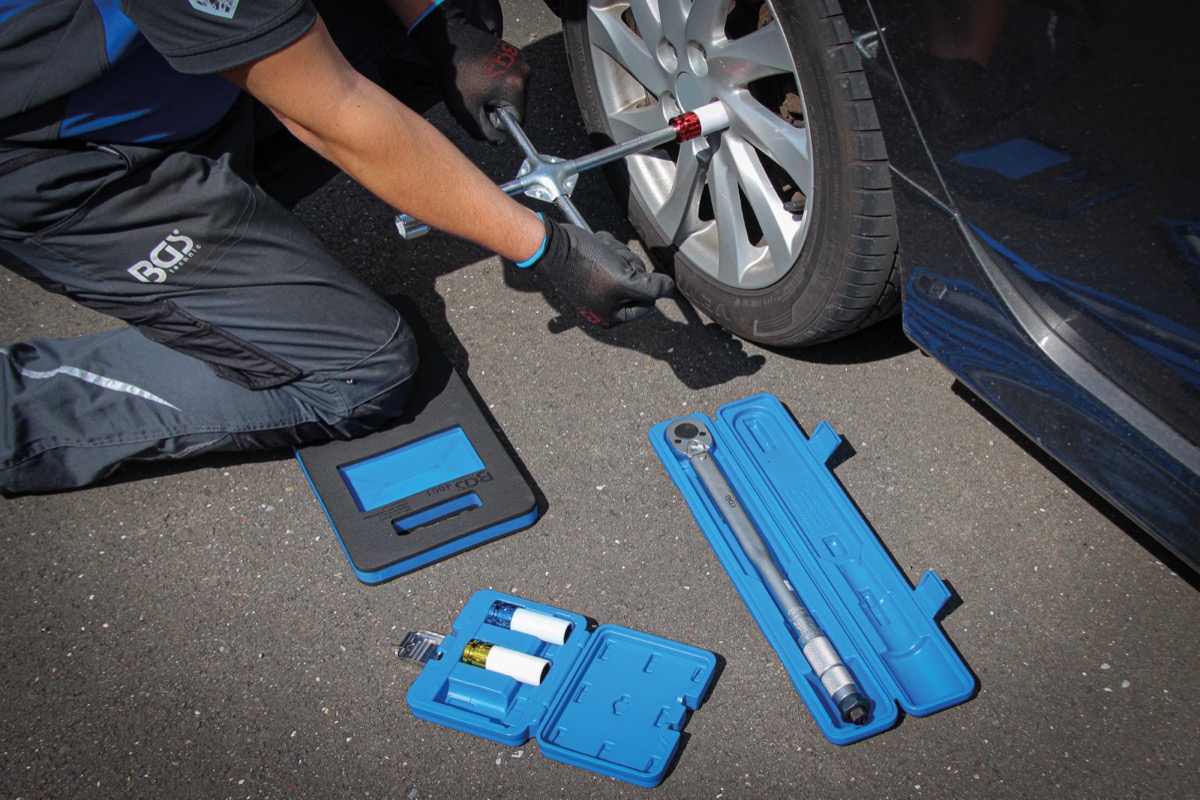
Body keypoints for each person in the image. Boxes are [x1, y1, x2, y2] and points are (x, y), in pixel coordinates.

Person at [0, 0, 674, 495]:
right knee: (359, 375)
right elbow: (335, 111)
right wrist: (547, 250)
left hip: (169, 68)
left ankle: (236, 221)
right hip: (77, 166)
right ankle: (22, 411)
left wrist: (437, 23)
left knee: (424, 39)